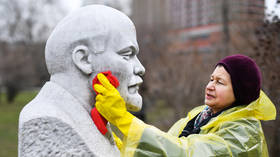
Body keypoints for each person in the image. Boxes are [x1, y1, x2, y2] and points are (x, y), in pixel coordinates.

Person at [18, 5, 145, 157]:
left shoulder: (92, 117)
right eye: (127, 54)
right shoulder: (46, 120)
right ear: (84, 60)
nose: (140, 68)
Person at [94, 54, 276, 157]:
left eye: (220, 82)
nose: (210, 86)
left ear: (240, 91)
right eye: (211, 79)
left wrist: (122, 118)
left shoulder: (244, 134)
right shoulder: (199, 117)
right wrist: (117, 144)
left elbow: (187, 153)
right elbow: (164, 150)